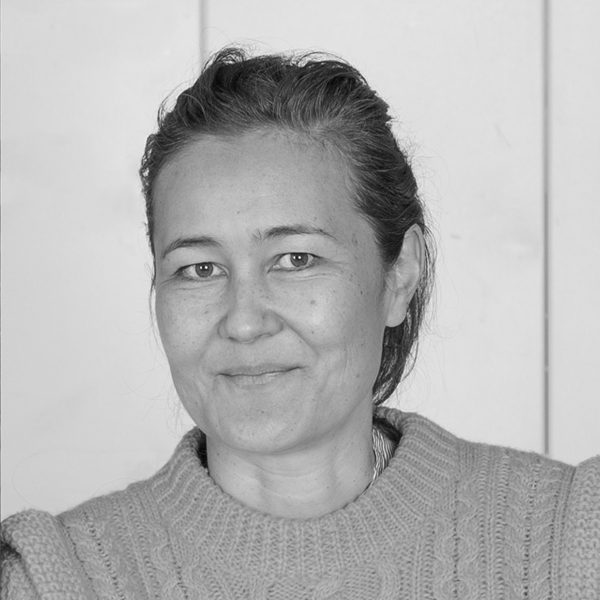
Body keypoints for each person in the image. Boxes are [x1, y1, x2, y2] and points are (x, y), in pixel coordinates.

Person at [1, 47, 598, 599]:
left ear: (399, 275)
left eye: (296, 260)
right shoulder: (55, 579)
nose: (244, 322)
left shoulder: (571, 542)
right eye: (199, 268)